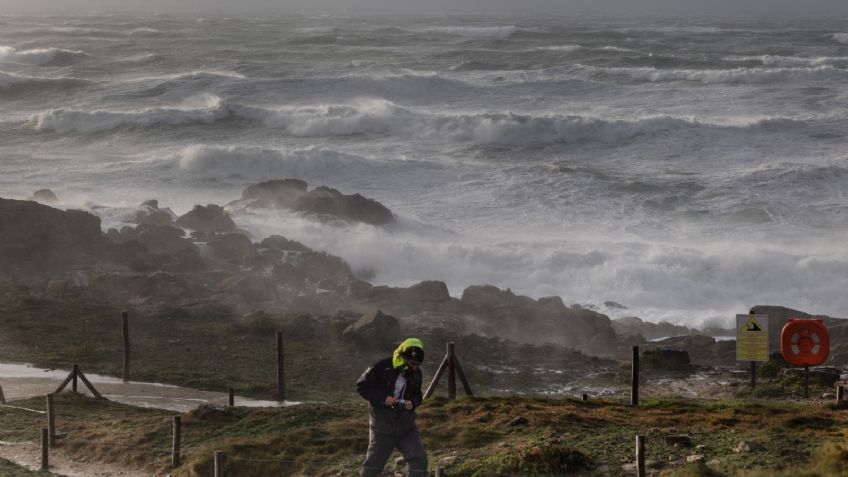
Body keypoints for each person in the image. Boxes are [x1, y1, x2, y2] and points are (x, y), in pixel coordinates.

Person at [357, 338, 428, 477]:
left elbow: (418, 395)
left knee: (419, 460)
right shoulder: (381, 366)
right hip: (382, 425)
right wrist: (383, 399)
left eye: (418, 365)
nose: (415, 367)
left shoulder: (417, 374)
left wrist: (412, 403)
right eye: (413, 363)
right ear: (403, 357)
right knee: (373, 465)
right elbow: (362, 386)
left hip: (406, 425)